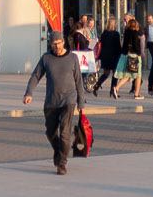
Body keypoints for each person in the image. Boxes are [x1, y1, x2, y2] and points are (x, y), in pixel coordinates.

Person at [23, 33, 86, 174]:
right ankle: (59, 151)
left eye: (59, 43)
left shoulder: (72, 58)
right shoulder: (46, 58)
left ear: (63, 42)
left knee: (65, 133)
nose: (57, 46)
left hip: (68, 101)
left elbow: (79, 81)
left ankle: (62, 163)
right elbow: (36, 76)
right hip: (51, 101)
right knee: (50, 132)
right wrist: (29, 93)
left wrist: (81, 102)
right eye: (54, 44)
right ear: (50, 44)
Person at [94, 16, 123, 97]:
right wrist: (121, 54)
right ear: (114, 24)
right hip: (114, 56)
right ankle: (112, 90)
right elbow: (118, 46)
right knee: (115, 74)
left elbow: (101, 44)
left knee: (106, 73)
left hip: (105, 56)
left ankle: (96, 86)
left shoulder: (104, 33)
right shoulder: (116, 34)